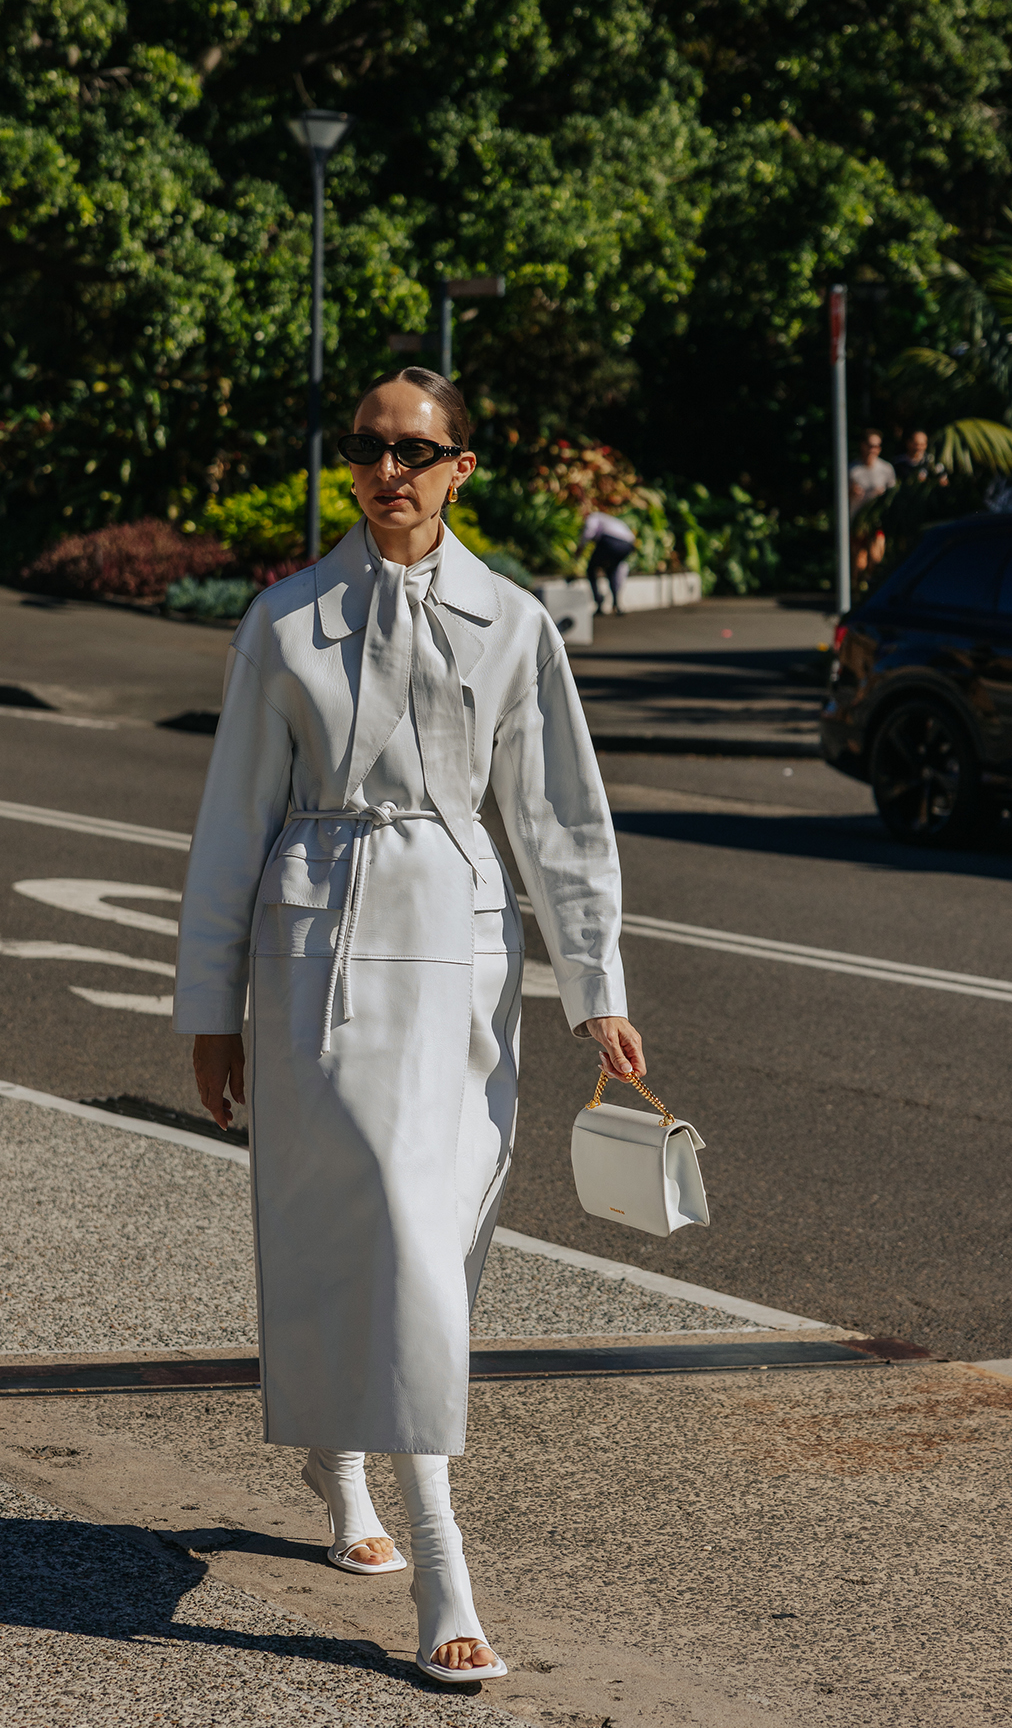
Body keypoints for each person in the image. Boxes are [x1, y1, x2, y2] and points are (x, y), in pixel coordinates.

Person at [176, 365, 641, 1687]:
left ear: (461, 467)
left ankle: (343, 1458)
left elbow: (555, 808)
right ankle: (443, 1557)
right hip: (318, 942)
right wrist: (211, 1004)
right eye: (368, 448)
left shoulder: (512, 621)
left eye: (415, 450)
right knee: (374, 1209)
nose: (388, 471)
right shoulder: (284, 621)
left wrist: (596, 978)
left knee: (440, 1231)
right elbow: (229, 821)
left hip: (465, 950)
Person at [848, 428, 897, 579]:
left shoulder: (886, 469)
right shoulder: (852, 469)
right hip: (857, 520)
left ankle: (871, 590)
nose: (874, 449)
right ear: (862, 445)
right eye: (870, 445)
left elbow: (894, 495)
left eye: (877, 446)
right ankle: (857, 593)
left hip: (877, 520)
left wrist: (883, 495)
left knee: (876, 558)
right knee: (859, 563)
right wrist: (851, 492)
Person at [581, 507, 637, 615]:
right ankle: (616, 604)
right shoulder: (611, 520)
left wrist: (581, 547)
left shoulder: (594, 516)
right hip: (628, 545)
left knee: (591, 568)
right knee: (612, 570)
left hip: (610, 541)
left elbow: (589, 531)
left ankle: (598, 600)